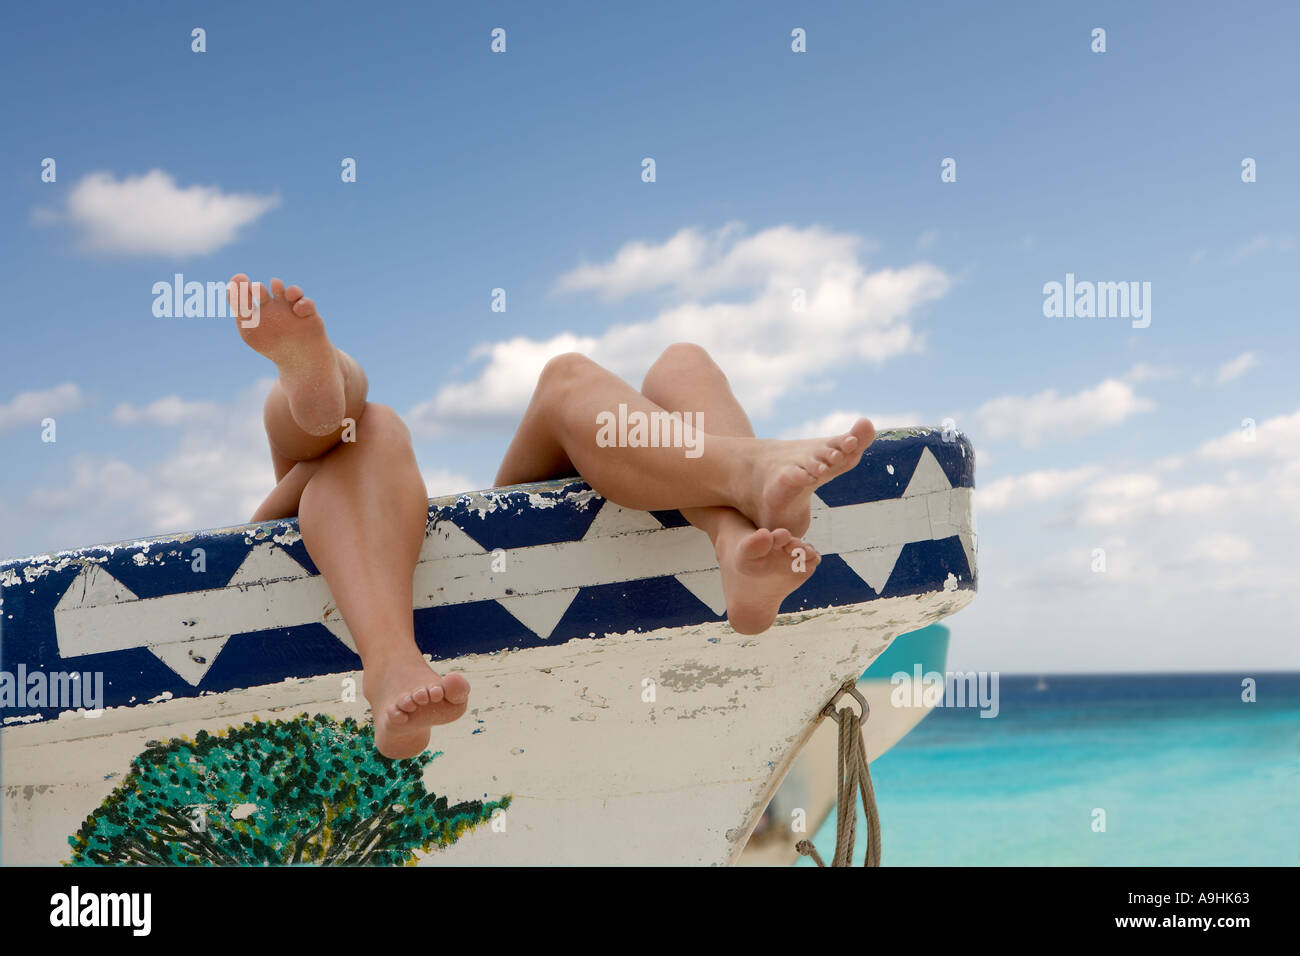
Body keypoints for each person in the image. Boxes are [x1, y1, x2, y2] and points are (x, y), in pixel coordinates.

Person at [228, 275, 874, 758]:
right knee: (371, 429)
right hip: (360, 507)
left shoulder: (331, 469)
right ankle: (742, 489)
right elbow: (301, 488)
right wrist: (329, 414)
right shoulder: (338, 475)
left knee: (674, 362)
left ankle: (738, 537)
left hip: (541, 498)